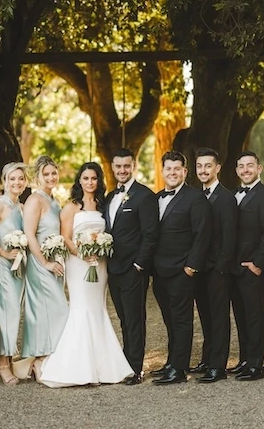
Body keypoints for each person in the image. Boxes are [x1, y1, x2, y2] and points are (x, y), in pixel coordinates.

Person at [39, 162, 134, 387]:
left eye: (93, 178)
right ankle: (77, 368)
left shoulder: (103, 205)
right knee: (81, 308)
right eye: (86, 178)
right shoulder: (71, 206)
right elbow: (65, 237)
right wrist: (82, 254)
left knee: (98, 308)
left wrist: (99, 251)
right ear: (79, 181)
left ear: (99, 181)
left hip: (100, 264)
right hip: (78, 264)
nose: (90, 182)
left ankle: (102, 367)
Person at [151, 151, 210, 385]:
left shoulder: (195, 198)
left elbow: (202, 235)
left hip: (182, 271)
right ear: (162, 171)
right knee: (169, 320)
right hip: (160, 271)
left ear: (184, 172)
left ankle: (179, 369)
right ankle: (171, 362)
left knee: (182, 320)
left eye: (177, 169)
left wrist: (191, 267)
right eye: (168, 169)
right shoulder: (156, 198)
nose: (172, 173)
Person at [104, 148, 158, 385]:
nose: (122, 170)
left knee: (135, 319)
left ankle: (136, 369)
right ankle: (125, 363)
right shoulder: (109, 197)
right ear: (113, 167)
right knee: (124, 319)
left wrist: (139, 265)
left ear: (133, 166)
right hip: (112, 269)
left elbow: (150, 235)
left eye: (127, 166)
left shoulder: (144, 196)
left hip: (133, 270)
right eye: (118, 166)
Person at [230, 151, 264, 382]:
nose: (245, 170)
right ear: (236, 170)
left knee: (255, 316)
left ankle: (256, 365)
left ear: (259, 169)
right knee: (241, 316)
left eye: (250, 165)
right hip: (234, 268)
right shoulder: (233, 195)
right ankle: (245, 360)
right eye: (241, 166)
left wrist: (258, 264)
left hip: (253, 268)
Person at [191, 148, 236, 383]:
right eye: (199, 166)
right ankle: (207, 359)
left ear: (217, 168)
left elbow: (230, 237)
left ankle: (218, 366)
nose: (203, 170)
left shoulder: (226, 198)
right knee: (205, 317)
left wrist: (221, 268)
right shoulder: (196, 197)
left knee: (219, 318)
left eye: (208, 166)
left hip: (218, 269)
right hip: (199, 269)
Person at [23, 155, 69, 378]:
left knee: (53, 310)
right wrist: (45, 263)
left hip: (55, 263)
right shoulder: (35, 200)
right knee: (54, 310)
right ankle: (40, 359)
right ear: (37, 177)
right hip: (40, 264)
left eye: (54, 173)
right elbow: (30, 235)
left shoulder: (54, 200)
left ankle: (50, 358)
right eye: (46, 174)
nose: (51, 177)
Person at [0, 162, 28, 385]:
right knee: (7, 314)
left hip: (19, 269)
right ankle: (2, 364)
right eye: (12, 179)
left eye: (20, 178)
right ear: (4, 181)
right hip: (3, 268)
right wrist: (4, 253)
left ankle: (9, 360)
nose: (16, 182)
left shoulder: (21, 207)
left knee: (14, 314)